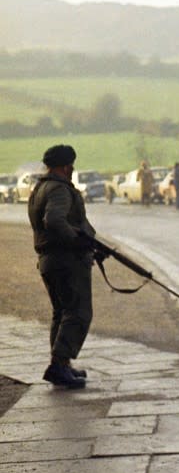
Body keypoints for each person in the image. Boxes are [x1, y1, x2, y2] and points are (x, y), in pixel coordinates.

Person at [27, 144, 97, 389]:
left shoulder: (41, 188)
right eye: (71, 165)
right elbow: (54, 220)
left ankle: (62, 364)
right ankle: (59, 364)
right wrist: (78, 242)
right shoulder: (59, 189)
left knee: (62, 312)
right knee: (77, 312)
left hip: (50, 260)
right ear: (66, 166)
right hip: (66, 261)